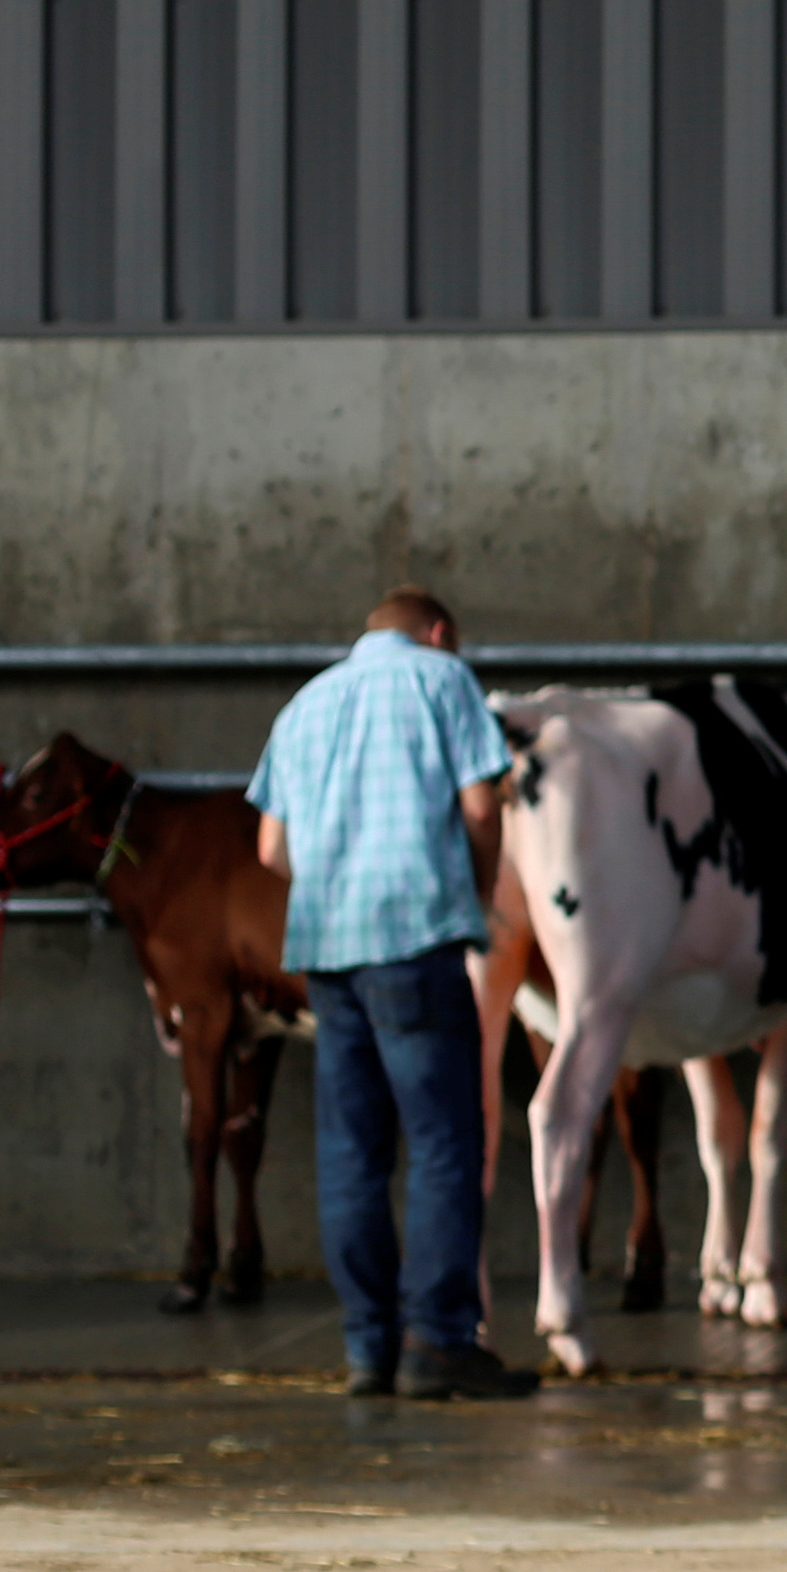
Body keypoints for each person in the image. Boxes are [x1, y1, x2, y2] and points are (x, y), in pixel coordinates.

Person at [249, 588, 532, 1401]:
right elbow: (483, 807)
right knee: (444, 1142)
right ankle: (439, 1343)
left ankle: (368, 1348)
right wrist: (476, 892)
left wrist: (341, 875)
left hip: (329, 953)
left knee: (351, 1152)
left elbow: (272, 850)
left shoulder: (306, 704)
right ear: (439, 633)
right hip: (415, 940)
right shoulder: (444, 683)